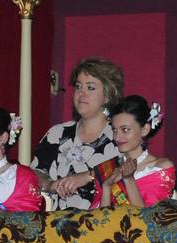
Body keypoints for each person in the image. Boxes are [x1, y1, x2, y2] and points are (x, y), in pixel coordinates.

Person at [31, 57, 122, 210]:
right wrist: (50, 184)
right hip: (57, 223)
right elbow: (34, 173)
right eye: (78, 87)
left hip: (105, 224)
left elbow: (129, 166)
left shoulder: (119, 134)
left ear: (107, 95)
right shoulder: (58, 133)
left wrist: (88, 176)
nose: (81, 93)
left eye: (90, 88)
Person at [95, 96, 175, 208]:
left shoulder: (160, 168)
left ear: (144, 130)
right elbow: (101, 220)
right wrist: (107, 187)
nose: (117, 136)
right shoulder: (109, 168)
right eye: (114, 129)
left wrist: (129, 180)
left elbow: (149, 219)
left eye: (125, 129)